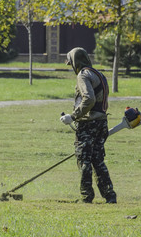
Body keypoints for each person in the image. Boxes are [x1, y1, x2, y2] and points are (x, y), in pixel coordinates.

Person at [60, 47, 117, 204]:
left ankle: (86, 197)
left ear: (75, 62)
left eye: (70, 63)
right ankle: (110, 195)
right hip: (101, 122)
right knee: (97, 159)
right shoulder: (98, 74)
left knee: (84, 159)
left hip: (88, 124)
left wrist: (73, 116)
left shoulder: (83, 75)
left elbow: (89, 99)